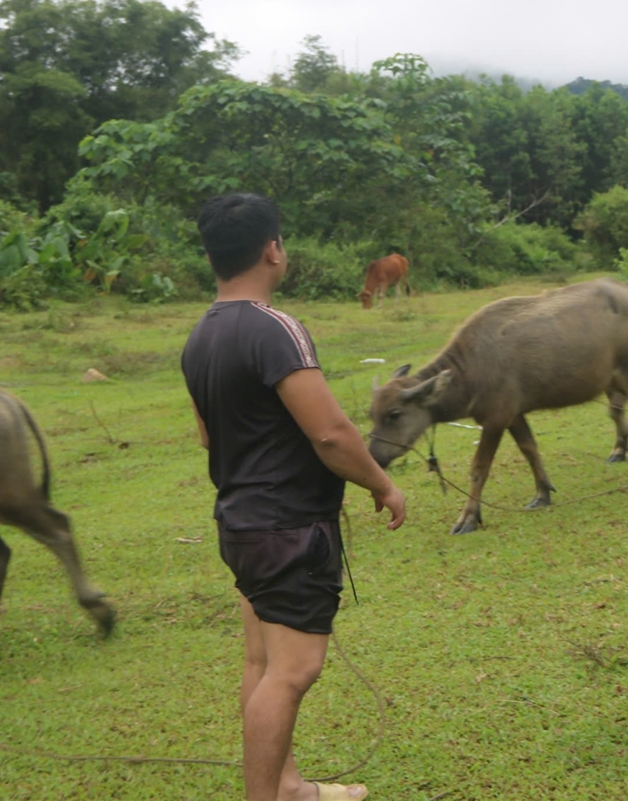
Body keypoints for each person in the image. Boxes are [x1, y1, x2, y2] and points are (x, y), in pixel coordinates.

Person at [181, 193, 407, 801]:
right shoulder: (274, 328)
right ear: (272, 249)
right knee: (293, 670)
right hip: (288, 531)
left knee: (261, 663)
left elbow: (209, 434)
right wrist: (382, 484)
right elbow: (331, 433)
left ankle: (288, 787)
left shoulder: (200, 335)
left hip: (241, 524)